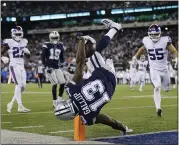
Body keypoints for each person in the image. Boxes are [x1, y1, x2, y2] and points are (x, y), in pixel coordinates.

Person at [55, 19, 132, 134]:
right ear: (66, 105)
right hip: (104, 73)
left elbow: (106, 120)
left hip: (111, 86)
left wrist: (120, 126)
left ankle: (112, 29)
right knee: (94, 53)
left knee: (92, 59)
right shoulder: (71, 90)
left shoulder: (87, 118)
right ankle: (115, 27)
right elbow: (80, 62)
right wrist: (81, 41)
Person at [132, 24, 178, 117]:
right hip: (153, 69)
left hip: (164, 69)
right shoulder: (146, 40)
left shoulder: (165, 40)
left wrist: (177, 58)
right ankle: (158, 108)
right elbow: (141, 49)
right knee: (157, 87)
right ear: (149, 34)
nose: (154, 36)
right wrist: (135, 56)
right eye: (152, 35)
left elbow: (173, 51)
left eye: (156, 34)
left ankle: (165, 89)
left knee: (166, 89)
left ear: (160, 33)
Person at [1, 26, 31, 113]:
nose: (18, 35)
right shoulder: (9, 42)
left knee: (23, 87)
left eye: (19, 34)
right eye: (16, 34)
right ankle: (20, 106)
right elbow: (1, 52)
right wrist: (2, 58)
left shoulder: (24, 41)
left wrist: (28, 53)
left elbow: (27, 57)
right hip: (14, 65)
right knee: (18, 85)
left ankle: (12, 102)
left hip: (22, 65)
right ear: (13, 34)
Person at [42, 31, 66, 108]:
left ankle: (59, 99)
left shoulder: (61, 45)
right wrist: (46, 66)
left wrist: (62, 62)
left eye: (56, 38)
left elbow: (62, 56)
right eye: (53, 38)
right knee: (55, 83)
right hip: (49, 67)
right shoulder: (46, 45)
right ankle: (54, 102)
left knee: (63, 82)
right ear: (50, 38)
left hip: (57, 67)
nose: (55, 39)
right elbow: (43, 56)